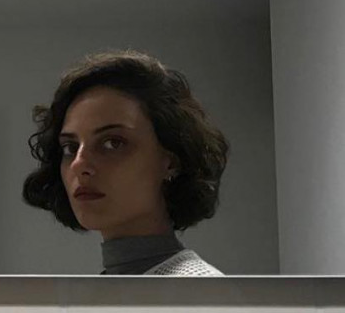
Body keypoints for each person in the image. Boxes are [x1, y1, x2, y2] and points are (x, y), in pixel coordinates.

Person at [22, 49, 229, 276]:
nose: (79, 164)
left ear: (171, 161)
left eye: (113, 143)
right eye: (70, 148)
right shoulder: (108, 287)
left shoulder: (196, 287)